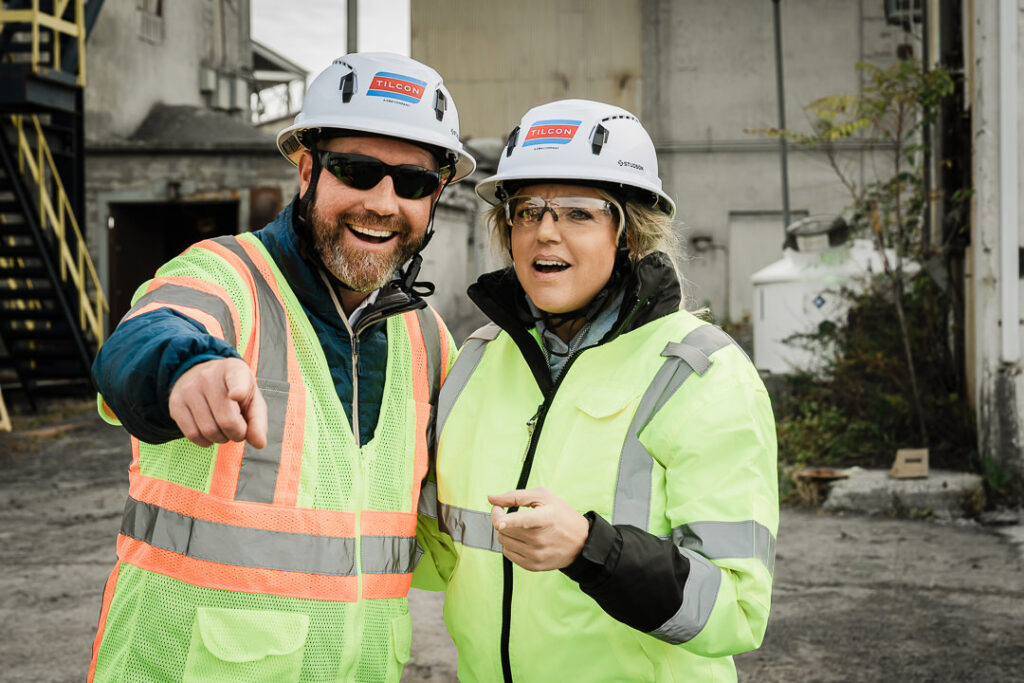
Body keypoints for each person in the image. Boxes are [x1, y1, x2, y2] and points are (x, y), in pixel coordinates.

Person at [87, 52, 474, 682]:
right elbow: (144, 337)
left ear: (435, 197)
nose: (382, 202)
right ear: (306, 171)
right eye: (357, 171)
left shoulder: (426, 337)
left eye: (412, 183)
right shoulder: (227, 276)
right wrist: (188, 368)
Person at [417, 99, 778, 682]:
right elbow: (435, 553)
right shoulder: (477, 360)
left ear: (629, 234)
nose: (544, 233)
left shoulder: (698, 372)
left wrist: (592, 548)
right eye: (526, 210)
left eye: (579, 214)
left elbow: (734, 612)